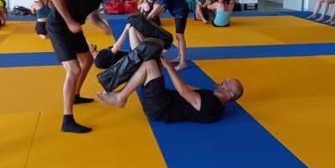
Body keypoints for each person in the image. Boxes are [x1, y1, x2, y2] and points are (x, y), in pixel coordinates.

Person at [46, 0, 127, 133]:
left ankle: (75, 95)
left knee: (88, 60)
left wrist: (103, 26)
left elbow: (91, 16)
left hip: (73, 27)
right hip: (59, 26)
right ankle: (67, 120)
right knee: (74, 69)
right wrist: (69, 21)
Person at [97, 56, 243, 124]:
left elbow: (183, 92)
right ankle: (120, 92)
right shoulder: (210, 94)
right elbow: (186, 87)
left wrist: (169, 67)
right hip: (161, 99)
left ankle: (120, 97)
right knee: (148, 59)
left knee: (150, 65)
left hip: (160, 108)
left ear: (230, 94)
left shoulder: (213, 106)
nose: (223, 80)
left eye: (227, 83)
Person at [147, 0, 189, 71]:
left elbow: (160, 5)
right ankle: (180, 57)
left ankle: (183, 62)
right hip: (176, 11)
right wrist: (150, 14)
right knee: (178, 36)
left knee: (179, 35)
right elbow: (158, 3)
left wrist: (149, 16)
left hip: (181, 10)